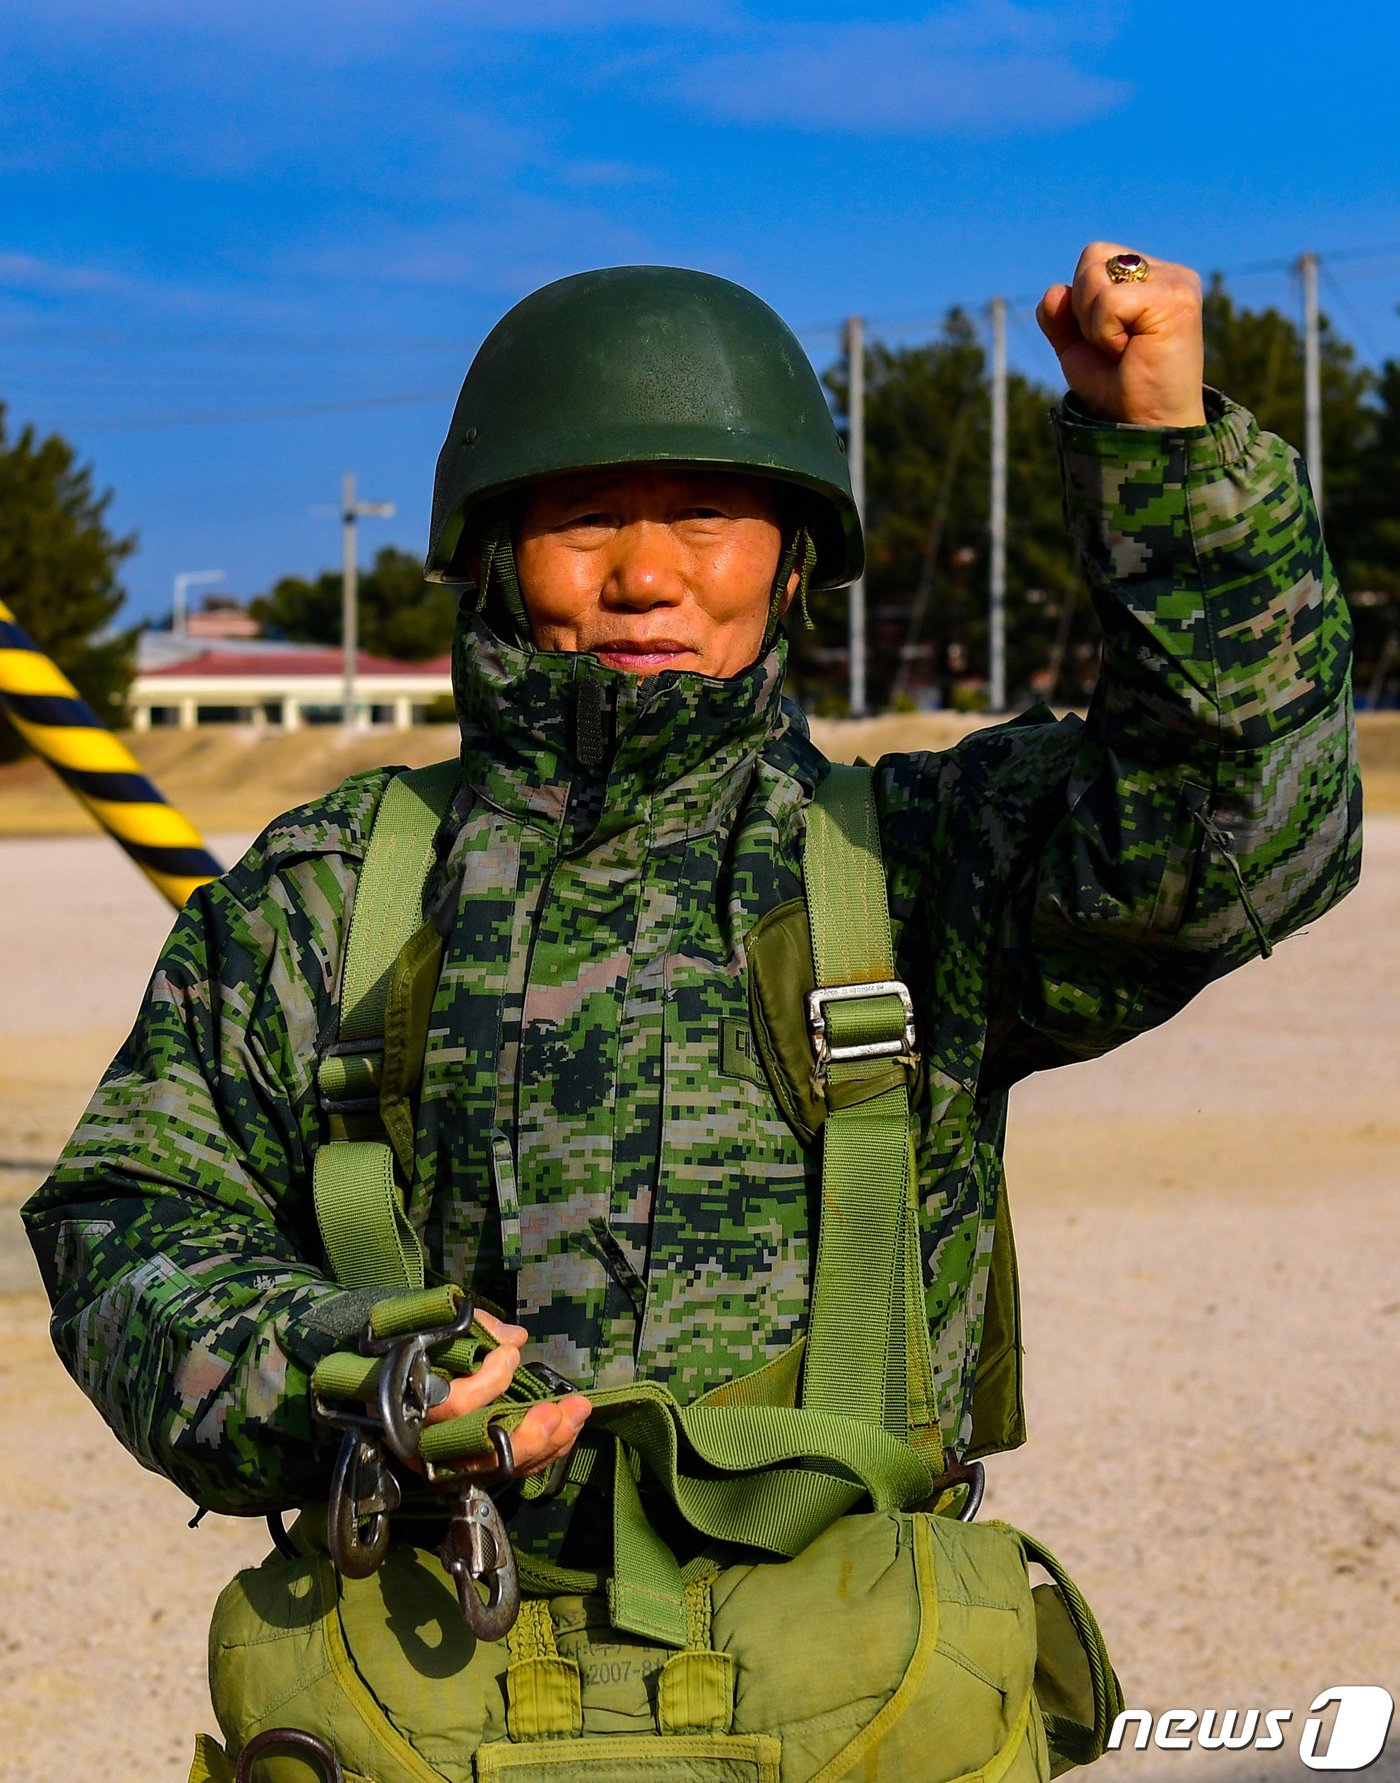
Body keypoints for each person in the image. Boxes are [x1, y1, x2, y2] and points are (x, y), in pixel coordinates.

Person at [23, 243, 1358, 1765]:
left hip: (857, 1682)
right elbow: (129, 1216)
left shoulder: (916, 867)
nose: (645, 573)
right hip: (434, 1675)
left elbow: (1247, 826)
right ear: (494, 553)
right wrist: (354, 1370)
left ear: (791, 559)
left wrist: (1166, 463)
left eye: (707, 516)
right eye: (584, 517)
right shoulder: (335, 889)